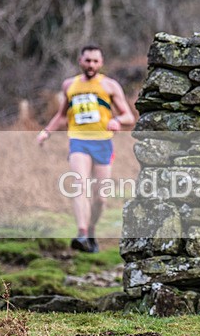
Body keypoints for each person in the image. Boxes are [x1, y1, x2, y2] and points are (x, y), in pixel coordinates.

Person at [37, 44, 134, 253]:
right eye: (87, 60)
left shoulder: (109, 85)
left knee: (100, 198)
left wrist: (117, 121)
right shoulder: (69, 85)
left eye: (95, 61)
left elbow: (128, 116)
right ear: (80, 61)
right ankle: (81, 233)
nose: (91, 65)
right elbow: (62, 115)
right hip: (78, 141)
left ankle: (91, 229)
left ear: (101, 63)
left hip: (102, 143)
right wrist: (46, 131)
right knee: (79, 185)